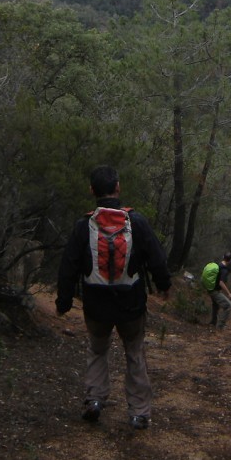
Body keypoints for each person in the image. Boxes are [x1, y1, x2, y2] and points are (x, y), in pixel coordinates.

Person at [56, 165, 171, 430]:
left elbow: (68, 267)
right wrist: (164, 284)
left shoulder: (84, 226)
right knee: (135, 353)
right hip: (131, 304)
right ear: (118, 187)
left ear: (91, 190)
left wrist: (63, 302)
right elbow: (156, 257)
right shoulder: (137, 222)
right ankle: (139, 412)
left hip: (96, 305)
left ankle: (94, 400)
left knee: (97, 350)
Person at [208, 252, 231, 328]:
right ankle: (220, 325)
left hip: (211, 289)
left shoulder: (219, 265)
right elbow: (221, 282)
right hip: (214, 291)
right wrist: (229, 293)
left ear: (223, 257)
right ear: (230, 260)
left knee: (215, 305)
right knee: (228, 305)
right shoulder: (224, 269)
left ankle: (213, 322)